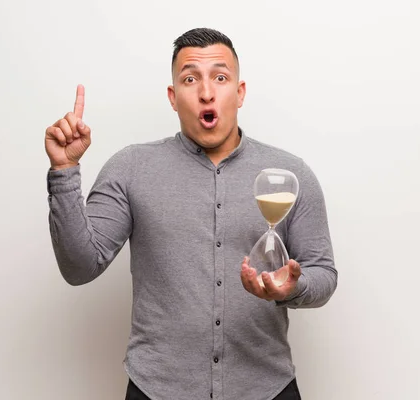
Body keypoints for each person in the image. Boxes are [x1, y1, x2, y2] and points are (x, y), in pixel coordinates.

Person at [45, 28, 337, 400]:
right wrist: (64, 172)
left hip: (267, 388)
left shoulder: (289, 174)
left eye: (220, 77)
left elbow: (323, 273)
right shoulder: (130, 168)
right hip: (157, 390)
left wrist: (293, 288)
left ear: (240, 92)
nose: (206, 92)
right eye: (189, 78)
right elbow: (79, 267)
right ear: (173, 96)